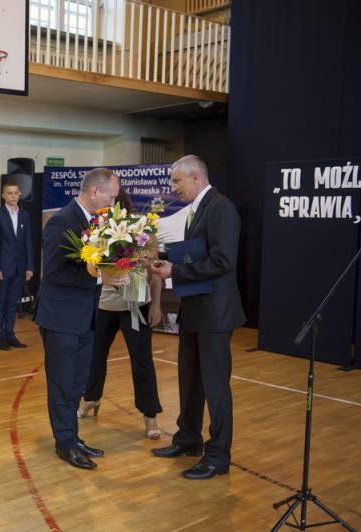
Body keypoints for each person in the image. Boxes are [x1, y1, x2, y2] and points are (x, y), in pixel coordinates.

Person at [149, 154, 245, 480]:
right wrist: (168, 263)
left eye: (177, 181)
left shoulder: (222, 208)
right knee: (190, 381)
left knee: (215, 387)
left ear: (196, 177)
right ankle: (188, 438)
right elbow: (197, 256)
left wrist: (176, 270)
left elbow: (222, 261)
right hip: (195, 310)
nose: (173, 187)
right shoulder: (198, 208)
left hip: (215, 314)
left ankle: (217, 455)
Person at [35, 167, 119, 470]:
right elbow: (54, 272)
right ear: (94, 192)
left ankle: (72, 436)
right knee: (62, 383)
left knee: (76, 383)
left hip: (84, 317)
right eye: (111, 196)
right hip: (61, 317)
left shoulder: (94, 222)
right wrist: (100, 277)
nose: (113, 202)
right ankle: (65, 443)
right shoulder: (62, 221)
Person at [78, 189, 164, 440]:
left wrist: (156, 305)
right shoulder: (97, 230)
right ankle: (92, 398)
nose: (106, 206)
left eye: (112, 202)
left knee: (142, 360)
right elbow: (91, 268)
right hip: (105, 304)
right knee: (95, 356)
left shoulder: (143, 231)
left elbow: (155, 272)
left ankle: (150, 414)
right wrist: (96, 263)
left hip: (136, 305)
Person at [0, 181, 34, 351]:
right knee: (1, 303)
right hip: (3, 268)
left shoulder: (25, 215)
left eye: (15, 193)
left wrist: (30, 266)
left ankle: (10, 334)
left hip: (19, 267)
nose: (13, 196)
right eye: (9, 193)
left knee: (13, 304)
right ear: (3, 195)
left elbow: (28, 242)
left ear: (20, 194)